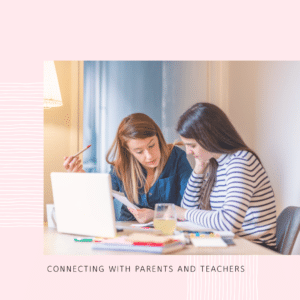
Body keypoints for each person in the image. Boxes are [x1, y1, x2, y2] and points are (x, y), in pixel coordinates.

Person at [175, 102, 277, 251]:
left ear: (209, 137)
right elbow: (188, 210)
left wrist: (184, 213)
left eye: (192, 145)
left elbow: (228, 223)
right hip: (233, 243)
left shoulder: (241, 161)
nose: (188, 152)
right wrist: (198, 169)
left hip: (254, 248)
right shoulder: (217, 163)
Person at [63, 113, 192, 223]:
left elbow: (191, 209)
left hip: (167, 231)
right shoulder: (121, 167)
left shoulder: (176, 158)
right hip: (127, 232)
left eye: (152, 145)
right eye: (139, 151)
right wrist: (81, 177)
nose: (149, 156)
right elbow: (99, 202)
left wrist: (155, 215)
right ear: (128, 151)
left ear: (158, 137)